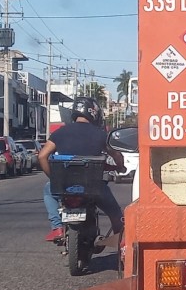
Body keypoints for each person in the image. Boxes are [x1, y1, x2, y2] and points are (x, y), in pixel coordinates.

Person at [38, 97, 125, 242]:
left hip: (65, 186)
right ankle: (120, 240)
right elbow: (116, 154)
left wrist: (54, 179)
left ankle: (57, 228)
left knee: (48, 190)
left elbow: (42, 156)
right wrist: (120, 166)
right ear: (94, 113)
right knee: (115, 213)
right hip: (93, 187)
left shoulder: (60, 132)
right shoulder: (101, 134)